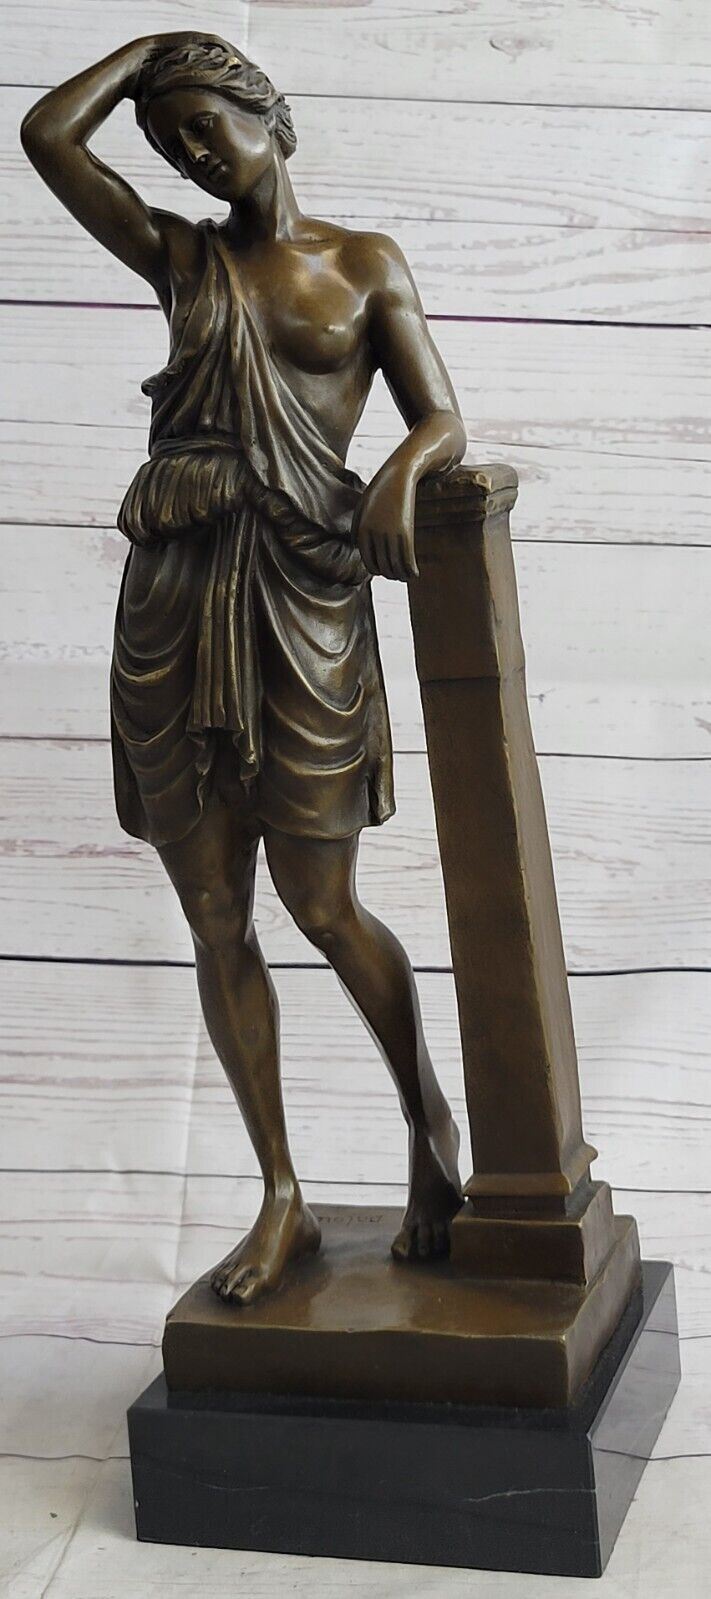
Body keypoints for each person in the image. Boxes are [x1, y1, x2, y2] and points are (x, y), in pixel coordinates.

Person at [21, 33, 467, 1306]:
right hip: (174, 598)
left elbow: (441, 413)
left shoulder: (365, 263)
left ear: (267, 109)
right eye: (171, 144)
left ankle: (429, 1126)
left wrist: (402, 469)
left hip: (306, 596)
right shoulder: (183, 258)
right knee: (216, 914)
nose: (194, 155)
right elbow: (47, 137)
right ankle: (282, 1194)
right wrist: (147, 59)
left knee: (323, 904)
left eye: (208, 124)